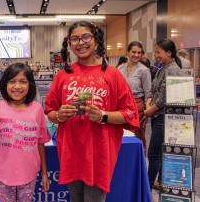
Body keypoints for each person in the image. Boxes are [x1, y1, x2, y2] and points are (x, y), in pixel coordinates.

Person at [44, 21, 139, 202]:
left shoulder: (113, 74)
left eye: (86, 37)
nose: (81, 43)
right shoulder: (63, 75)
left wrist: (103, 116)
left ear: (95, 40)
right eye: (75, 39)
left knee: (95, 199)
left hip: (99, 151)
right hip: (72, 151)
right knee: (75, 198)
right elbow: (50, 112)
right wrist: (59, 115)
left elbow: (129, 113)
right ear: (69, 44)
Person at [0, 62, 51, 201]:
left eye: (23, 81)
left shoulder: (36, 109)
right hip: (3, 175)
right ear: (5, 84)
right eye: (12, 81)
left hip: (29, 175)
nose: (17, 86)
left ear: (30, 85)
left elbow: (40, 144)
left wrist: (44, 174)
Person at [142, 39, 182, 198]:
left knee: (153, 153)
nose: (156, 55)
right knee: (157, 153)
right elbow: (152, 90)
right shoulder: (161, 69)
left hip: (164, 118)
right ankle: (154, 183)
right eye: (156, 52)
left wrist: (147, 112)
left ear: (169, 52)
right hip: (156, 115)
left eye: (159, 52)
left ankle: (148, 188)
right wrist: (148, 106)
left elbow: (164, 98)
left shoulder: (174, 70)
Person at [118, 41, 151, 156]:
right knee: (121, 132)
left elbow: (148, 92)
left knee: (138, 134)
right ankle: (123, 156)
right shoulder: (120, 69)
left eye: (139, 53)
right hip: (121, 105)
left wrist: (147, 112)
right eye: (134, 52)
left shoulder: (144, 70)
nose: (136, 55)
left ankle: (140, 160)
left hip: (137, 104)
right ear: (128, 52)